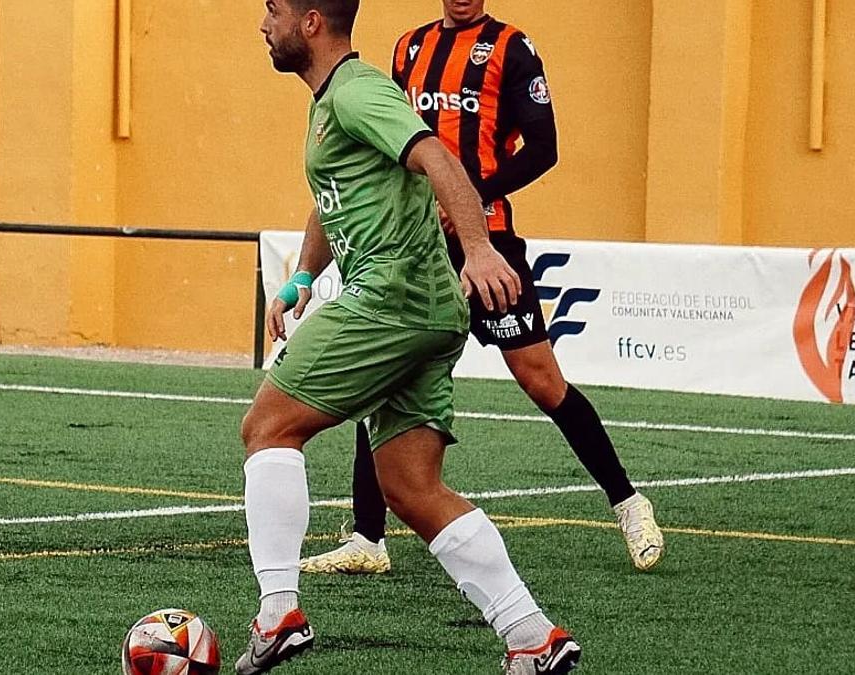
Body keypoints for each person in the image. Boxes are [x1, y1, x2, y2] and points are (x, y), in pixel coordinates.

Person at [237, 1, 582, 673]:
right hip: (428, 311)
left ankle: (278, 613)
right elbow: (329, 200)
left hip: (390, 296)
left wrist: (480, 250)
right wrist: (301, 280)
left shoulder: (358, 90)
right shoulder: (336, 100)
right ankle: (531, 635)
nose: (263, 23)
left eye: (274, 10)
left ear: (311, 22)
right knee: (411, 486)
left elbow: (436, 157)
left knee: (267, 426)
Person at [300, 0, 665, 577]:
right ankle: (368, 539)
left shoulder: (511, 47)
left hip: (486, 245)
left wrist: (470, 194)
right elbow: (383, 146)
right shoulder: (409, 49)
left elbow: (543, 149)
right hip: (415, 251)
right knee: (383, 380)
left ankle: (628, 502)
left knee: (541, 380)